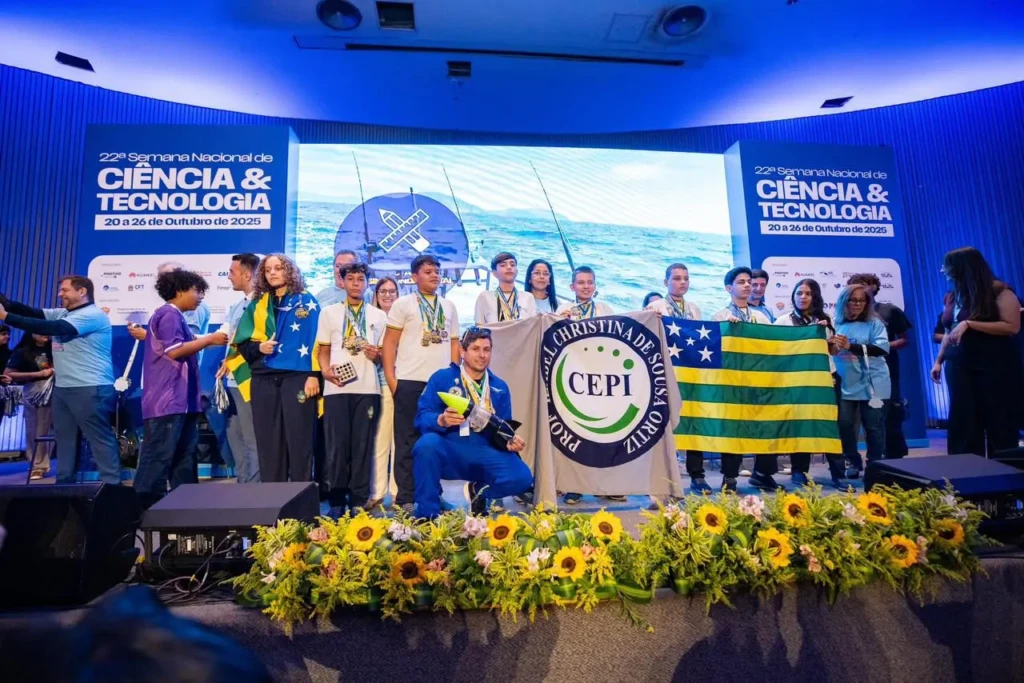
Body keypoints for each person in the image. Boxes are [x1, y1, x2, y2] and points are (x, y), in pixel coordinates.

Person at [0, 276, 121, 484]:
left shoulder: (92, 315)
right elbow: (32, 313)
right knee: (64, 439)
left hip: (90, 387)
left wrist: (6, 316)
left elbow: (54, 328)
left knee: (98, 438)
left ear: (82, 292)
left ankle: (112, 486)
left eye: (65, 290)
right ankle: (64, 486)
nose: (60, 294)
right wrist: (6, 304)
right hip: (63, 388)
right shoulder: (63, 312)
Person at [412, 327, 532, 518]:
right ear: (462, 351)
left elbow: (502, 429)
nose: (482, 355)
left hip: (484, 451)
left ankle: (478, 493)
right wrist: (441, 420)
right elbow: (421, 418)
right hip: (450, 448)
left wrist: (509, 441)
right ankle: (427, 514)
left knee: (523, 478)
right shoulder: (442, 378)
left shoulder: (499, 387)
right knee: (426, 445)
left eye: (486, 349)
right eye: (476, 349)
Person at [134, 270, 228, 508]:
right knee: (158, 458)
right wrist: (210, 340)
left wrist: (213, 337)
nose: (201, 297)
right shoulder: (168, 315)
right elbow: (175, 350)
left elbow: (190, 341)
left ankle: (185, 508)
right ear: (179, 291)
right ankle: (141, 511)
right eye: (197, 291)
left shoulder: (176, 316)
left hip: (182, 401)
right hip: (167, 401)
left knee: (184, 458)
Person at [229, 254, 321, 483]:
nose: (272, 273)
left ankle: (301, 499)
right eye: (268, 269)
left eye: (278, 268)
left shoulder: (306, 301)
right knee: (269, 445)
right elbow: (243, 346)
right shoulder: (258, 305)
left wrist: (314, 375)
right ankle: (272, 500)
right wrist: (259, 347)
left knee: (299, 442)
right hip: (264, 380)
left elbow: (317, 342)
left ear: (289, 270)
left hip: (297, 378)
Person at [382, 254, 460, 514]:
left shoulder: (448, 306)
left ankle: (433, 495)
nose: (435, 275)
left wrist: (454, 377)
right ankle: (405, 496)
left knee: (436, 442)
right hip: (409, 380)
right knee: (407, 440)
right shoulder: (403, 304)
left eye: (437, 271)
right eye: (428, 272)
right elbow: (389, 343)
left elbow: (454, 344)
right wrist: (392, 380)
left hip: (440, 386)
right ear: (415, 277)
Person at [931, 247, 1021, 456]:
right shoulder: (953, 296)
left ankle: (1004, 467)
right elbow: (949, 330)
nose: (943, 270)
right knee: (962, 419)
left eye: (947, 266)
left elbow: (1011, 326)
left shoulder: (1000, 291)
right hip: (958, 364)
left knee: (998, 417)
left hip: (993, 364)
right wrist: (938, 361)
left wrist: (970, 324)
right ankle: (965, 468)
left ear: (962, 267)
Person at [317, 262, 387, 517]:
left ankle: (358, 500)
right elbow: (323, 350)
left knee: (362, 446)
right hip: (336, 388)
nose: (356, 283)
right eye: (351, 279)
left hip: (368, 389)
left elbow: (385, 354)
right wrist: (325, 371)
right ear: (342, 281)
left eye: (360, 279)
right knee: (337, 446)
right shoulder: (329, 313)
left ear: (367, 283)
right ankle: (336, 501)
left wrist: (377, 354)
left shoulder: (379, 316)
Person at [773, 279, 850, 489]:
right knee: (800, 425)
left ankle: (838, 473)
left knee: (831, 425)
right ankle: (799, 471)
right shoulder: (783, 321)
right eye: (799, 293)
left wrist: (836, 344)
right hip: (797, 381)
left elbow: (832, 352)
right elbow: (775, 351)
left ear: (815, 297)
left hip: (825, 379)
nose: (803, 297)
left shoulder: (825, 320)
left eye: (808, 293)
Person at [556, 266, 620, 504]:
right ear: (572, 286)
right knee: (576, 433)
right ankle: (574, 486)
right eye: (581, 283)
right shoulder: (563, 310)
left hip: (601, 380)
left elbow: (618, 338)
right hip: (573, 380)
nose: (586, 286)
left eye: (590, 282)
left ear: (595, 285)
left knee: (603, 433)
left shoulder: (605, 309)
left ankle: (605, 484)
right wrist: (561, 322)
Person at [711, 267, 778, 491]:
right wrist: (727, 331)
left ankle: (762, 473)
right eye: (741, 282)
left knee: (765, 427)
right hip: (732, 383)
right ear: (729, 288)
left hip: (758, 381)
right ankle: (729, 477)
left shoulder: (760, 317)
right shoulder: (720, 317)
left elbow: (773, 345)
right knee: (733, 430)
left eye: (749, 281)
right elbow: (714, 351)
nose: (748, 285)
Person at [646, 264, 709, 493]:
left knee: (692, 422)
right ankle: (661, 479)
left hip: (689, 374)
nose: (682, 282)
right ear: (666, 282)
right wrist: (650, 318)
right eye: (677, 278)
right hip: (663, 373)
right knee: (662, 425)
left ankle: (697, 475)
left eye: (686, 278)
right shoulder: (655, 307)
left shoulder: (694, 309)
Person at [848, 273, 912, 459]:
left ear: (874, 287)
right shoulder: (848, 315)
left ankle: (895, 456)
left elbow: (905, 340)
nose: (860, 288)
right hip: (857, 373)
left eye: (864, 284)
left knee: (890, 413)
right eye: (855, 285)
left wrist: (879, 348)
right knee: (860, 419)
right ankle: (864, 459)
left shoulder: (890, 310)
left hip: (887, 370)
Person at [833, 283, 891, 479]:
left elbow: (882, 349)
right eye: (853, 300)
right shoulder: (835, 323)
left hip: (874, 383)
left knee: (874, 426)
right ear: (844, 302)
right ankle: (853, 461)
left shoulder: (875, 324)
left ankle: (875, 465)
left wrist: (851, 346)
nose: (857, 304)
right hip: (846, 382)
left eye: (862, 300)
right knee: (845, 425)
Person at [217, 253, 262, 483]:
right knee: (236, 436)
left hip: (249, 380)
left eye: (232, 272)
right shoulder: (237, 306)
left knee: (253, 439)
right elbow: (226, 337)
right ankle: (243, 485)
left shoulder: (262, 306)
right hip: (232, 382)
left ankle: (254, 492)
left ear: (247, 275)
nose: (229, 277)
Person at [4, 333, 54, 479]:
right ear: (32, 333)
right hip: (36, 390)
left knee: (61, 429)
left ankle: (66, 465)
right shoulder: (22, 352)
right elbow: (9, 373)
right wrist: (38, 374)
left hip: (61, 388)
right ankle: (38, 465)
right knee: (37, 429)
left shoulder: (56, 348)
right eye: (41, 331)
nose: (46, 334)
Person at [369, 276, 400, 507]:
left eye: (392, 291)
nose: (388, 295)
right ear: (376, 295)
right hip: (381, 384)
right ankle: (377, 492)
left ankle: (398, 491)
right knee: (380, 439)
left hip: (404, 384)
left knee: (401, 441)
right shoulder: (370, 319)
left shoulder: (406, 319)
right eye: (383, 291)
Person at [474, 251, 537, 324]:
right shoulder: (484, 297)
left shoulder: (528, 297)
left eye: (512, 265)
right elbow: (479, 326)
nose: (509, 267)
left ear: (516, 272)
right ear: (495, 273)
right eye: (503, 265)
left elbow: (532, 326)